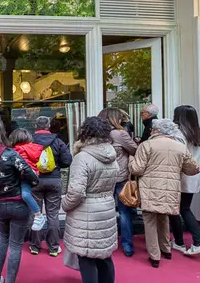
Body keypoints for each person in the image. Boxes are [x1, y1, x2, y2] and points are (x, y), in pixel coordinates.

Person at [129, 119, 200, 268]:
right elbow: (193, 169)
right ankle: (166, 249)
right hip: (171, 188)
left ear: (155, 130)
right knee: (164, 218)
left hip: (150, 188)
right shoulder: (180, 147)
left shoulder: (146, 145)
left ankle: (155, 256)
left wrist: (130, 161)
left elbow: (137, 169)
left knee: (150, 221)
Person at [0, 119, 39, 283]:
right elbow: (31, 175)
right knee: (16, 245)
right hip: (18, 204)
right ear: (2, 132)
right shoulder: (10, 154)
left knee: (2, 239)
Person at [63, 117, 119, 283]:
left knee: (86, 257)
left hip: (86, 211)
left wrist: (65, 204)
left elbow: (76, 192)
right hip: (106, 207)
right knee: (104, 255)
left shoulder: (83, 158)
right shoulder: (111, 155)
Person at [29, 116, 72, 257]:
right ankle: (54, 247)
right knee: (53, 214)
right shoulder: (58, 141)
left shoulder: (30, 141)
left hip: (35, 180)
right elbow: (67, 161)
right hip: (54, 180)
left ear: (36, 126)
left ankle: (35, 246)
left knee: (36, 213)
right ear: (48, 126)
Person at [98, 108, 138, 257]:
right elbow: (135, 150)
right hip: (120, 176)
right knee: (124, 212)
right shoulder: (120, 134)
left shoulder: (96, 134)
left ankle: (103, 242)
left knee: (102, 211)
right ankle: (127, 246)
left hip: (102, 178)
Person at [168, 105, 200, 256]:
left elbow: (178, 157)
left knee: (177, 210)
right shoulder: (199, 133)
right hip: (193, 176)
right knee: (184, 208)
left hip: (180, 176)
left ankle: (186, 242)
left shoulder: (178, 133)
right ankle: (195, 242)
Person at [11, 129, 46, 231]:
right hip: (29, 176)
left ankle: (38, 214)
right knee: (24, 195)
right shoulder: (33, 149)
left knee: (25, 195)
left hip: (24, 176)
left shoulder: (17, 150)